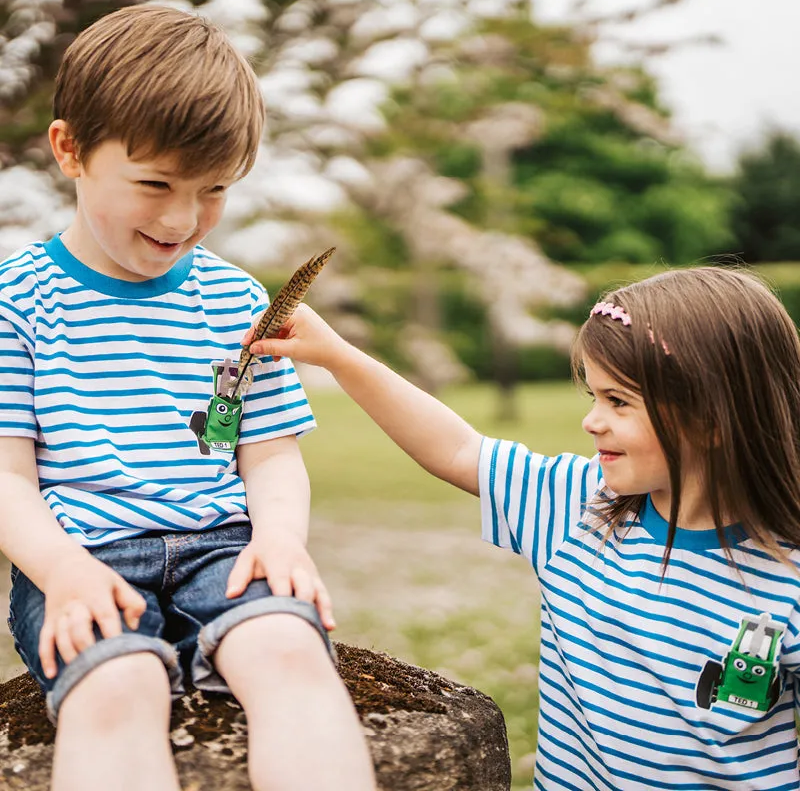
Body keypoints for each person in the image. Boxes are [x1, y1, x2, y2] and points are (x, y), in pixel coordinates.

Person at [0, 4, 375, 791]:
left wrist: (280, 538)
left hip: (222, 547)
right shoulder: (16, 300)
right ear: (70, 150)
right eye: (154, 184)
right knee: (117, 683)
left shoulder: (235, 301)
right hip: (83, 555)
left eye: (214, 190)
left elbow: (268, 453)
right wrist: (62, 572)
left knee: (290, 652)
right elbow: (7, 477)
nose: (183, 218)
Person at [243, 268, 800, 790]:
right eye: (593, 397)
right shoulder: (577, 508)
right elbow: (459, 449)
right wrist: (337, 356)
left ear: (712, 418)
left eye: (618, 401)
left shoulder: (787, 575)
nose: (592, 420)